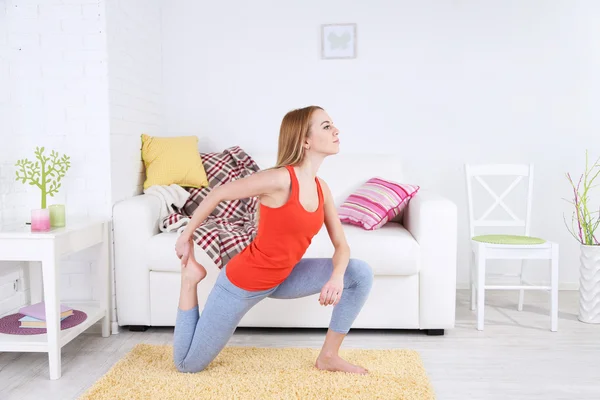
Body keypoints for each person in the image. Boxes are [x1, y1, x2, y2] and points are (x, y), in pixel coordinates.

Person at [173, 105, 374, 375]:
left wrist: (337, 277)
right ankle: (189, 280)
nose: (336, 130)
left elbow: (342, 245)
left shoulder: (321, 188)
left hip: (284, 277)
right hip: (243, 283)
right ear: (305, 140)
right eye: (326, 126)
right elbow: (218, 193)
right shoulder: (279, 179)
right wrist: (186, 236)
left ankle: (329, 356)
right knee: (188, 366)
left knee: (359, 273)